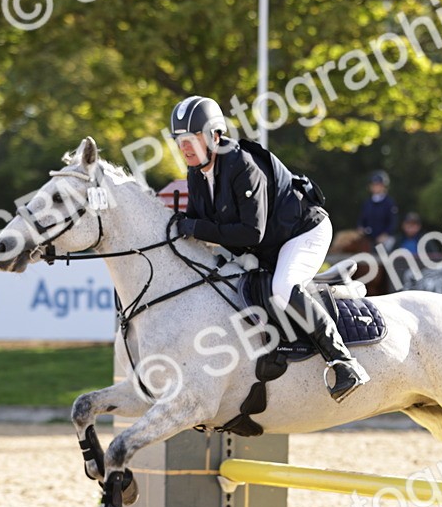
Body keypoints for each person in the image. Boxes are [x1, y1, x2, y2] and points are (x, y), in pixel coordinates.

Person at [169, 95, 369, 402]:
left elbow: (251, 231)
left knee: (283, 287)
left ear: (214, 135)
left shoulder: (241, 164)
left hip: (304, 231)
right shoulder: (197, 174)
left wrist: (194, 228)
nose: (184, 147)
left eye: (191, 138)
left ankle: (342, 362)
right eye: (179, 140)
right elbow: (195, 222)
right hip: (269, 245)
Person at [357, 170, 398, 245]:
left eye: (379, 185)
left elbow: (392, 222)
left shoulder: (389, 202)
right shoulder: (367, 203)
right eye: (374, 185)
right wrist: (361, 228)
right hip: (368, 237)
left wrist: (385, 234)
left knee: (389, 244)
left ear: (384, 186)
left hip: (384, 238)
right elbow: (362, 220)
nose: (376, 187)